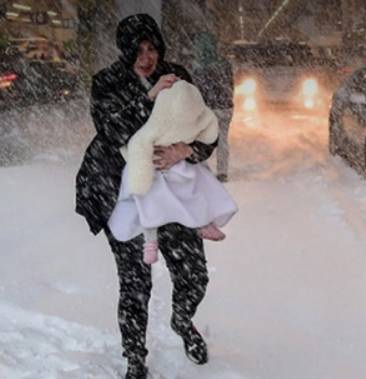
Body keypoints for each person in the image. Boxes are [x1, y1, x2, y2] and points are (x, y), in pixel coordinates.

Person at [74, 14, 214, 379]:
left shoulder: (177, 75)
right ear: (124, 50)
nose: (146, 57)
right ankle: (135, 358)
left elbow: (204, 129)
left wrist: (186, 151)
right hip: (123, 192)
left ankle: (183, 322)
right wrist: (149, 97)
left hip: (172, 194)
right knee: (135, 283)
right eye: (137, 50)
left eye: (151, 48)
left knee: (194, 274)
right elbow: (111, 130)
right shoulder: (106, 82)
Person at [108, 80, 237, 265]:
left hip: (180, 165)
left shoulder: (180, 89)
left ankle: (203, 221)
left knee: (196, 188)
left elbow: (208, 133)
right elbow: (130, 140)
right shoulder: (148, 121)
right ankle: (150, 241)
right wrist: (140, 176)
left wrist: (188, 150)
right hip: (149, 167)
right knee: (149, 205)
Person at [191, 31, 234, 182]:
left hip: (207, 108)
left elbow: (197, 89)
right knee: (223, 140)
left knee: (201, 139)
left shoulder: (198, 66)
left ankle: (202, 169)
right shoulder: (224, 63)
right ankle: (222, 171)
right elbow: (230, 84)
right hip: (225, 107)